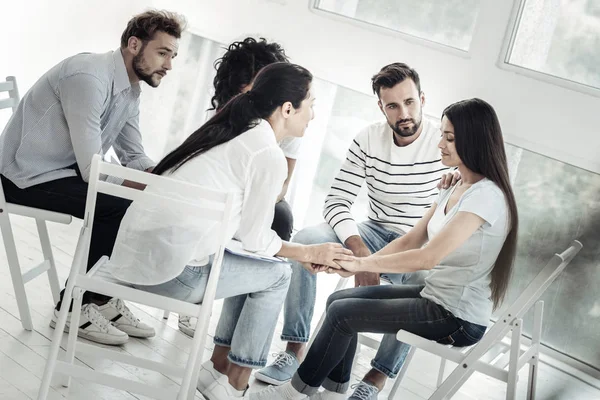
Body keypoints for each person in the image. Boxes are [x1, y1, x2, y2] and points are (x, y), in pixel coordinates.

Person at [103, 62, 354, 400]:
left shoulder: (234, 130)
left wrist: (299, 252)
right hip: (169, 275)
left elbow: (248, 240)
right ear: (287, 108)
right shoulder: (266, 152)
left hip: (129, 259)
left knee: (257, 266)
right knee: (278, 274)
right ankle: (235, 381)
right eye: (310, 103)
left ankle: (218, 367)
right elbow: (255, 238)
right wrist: (307, 253)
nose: (313, 114)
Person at [253, 97, 519, 400]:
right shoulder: (455, 186)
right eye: (442, 135)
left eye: (450, 138)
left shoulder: (486, 197)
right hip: (435, 297)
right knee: (339, 300)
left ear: (474, 141)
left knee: (343, 314)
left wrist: (361, 265)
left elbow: (427, 257)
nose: (440, 145)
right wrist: (353, 263)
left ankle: (294, 392)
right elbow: (411, 240)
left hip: (456, 317)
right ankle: (333, 391)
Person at [255, 63, 458, 393]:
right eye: (392, 105)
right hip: (373, 231)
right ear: (381, 107)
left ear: (422, 99)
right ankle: (295, 349)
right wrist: (361, 253)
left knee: (429, 282)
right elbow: (336, 201)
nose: (403, 113)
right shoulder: (368, 138)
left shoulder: (445, 144)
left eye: (409, 102)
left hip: (419, 241)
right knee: (306, 239)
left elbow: (467, 195)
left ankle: (375, 379)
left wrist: (456, 181)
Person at [0, 10, 186, 345]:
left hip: (59, 169)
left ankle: (100, 296)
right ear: (134, 44)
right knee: (120, 205)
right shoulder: (89, 78)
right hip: (23, 175)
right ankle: (74, 306)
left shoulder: (130, 89)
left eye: (172, 56)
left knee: (136, 200)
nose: (169, 65)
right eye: (162, 53)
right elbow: (93, 170)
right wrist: (142, 189)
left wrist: (165, 179)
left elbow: (134, 155)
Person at [178, 37, 298, 337]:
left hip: (255, 195)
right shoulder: (225, 114)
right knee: (224, 214)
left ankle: (232, 331)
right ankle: (195, 291)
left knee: (280, 217)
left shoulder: (290, 122)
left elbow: (282, 184)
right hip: (215, 198)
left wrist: (255, 197)